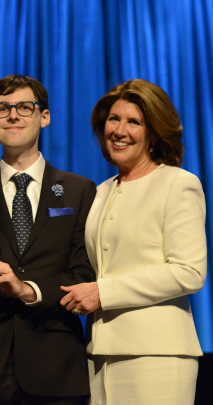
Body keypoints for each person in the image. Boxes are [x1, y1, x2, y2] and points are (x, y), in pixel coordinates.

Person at [0, 74, 96, 404]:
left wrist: (28, 290)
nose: (13, 115)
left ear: (45, 117)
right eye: (3, 109)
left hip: (56, 365)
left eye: (25, 107)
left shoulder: (79, 190)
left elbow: (84, 275)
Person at [60, 79, 206, 404]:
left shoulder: (178, 184)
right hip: (98, 355)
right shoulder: (98, 192)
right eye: (114, 119)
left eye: (134, 122)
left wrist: (103, 292)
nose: (120, 130)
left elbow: (189, 272)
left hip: (158, 356)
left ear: (153, 132)